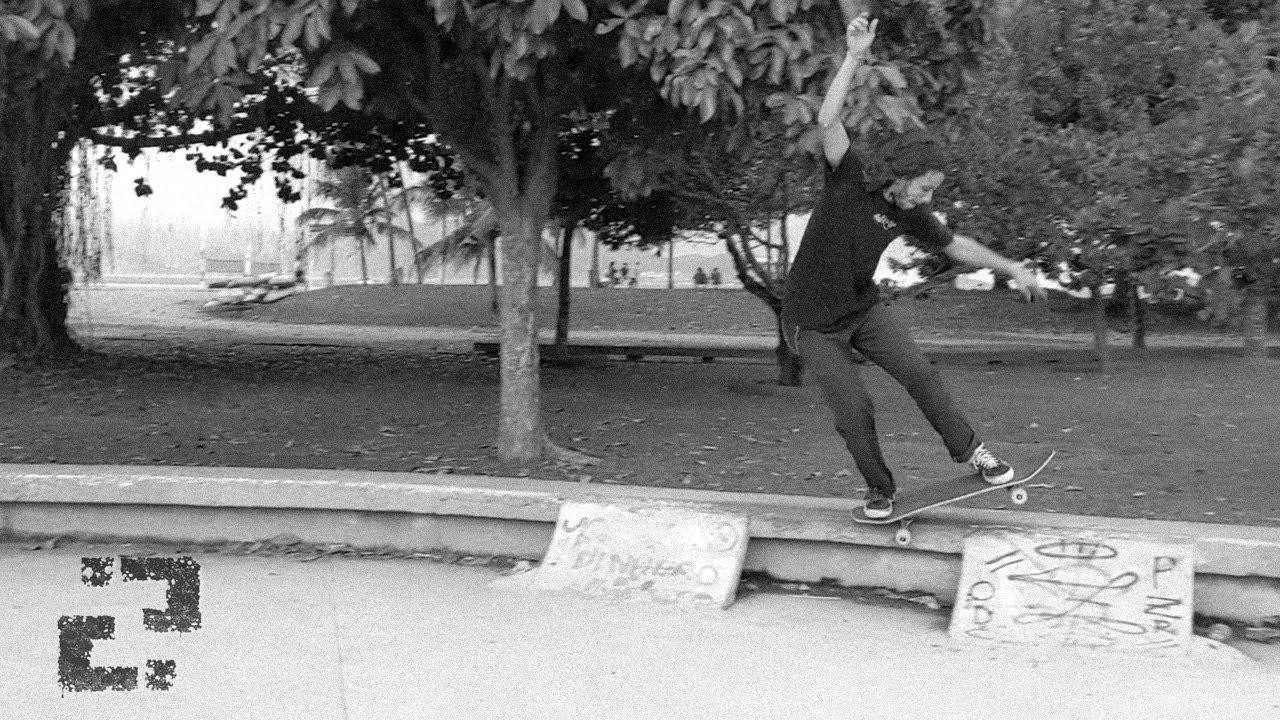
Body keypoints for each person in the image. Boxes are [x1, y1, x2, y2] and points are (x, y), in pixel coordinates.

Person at [781, 15, 1048, 520]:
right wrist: (855, 56)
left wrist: (1011, 266)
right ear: (901, 175)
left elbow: (956, 245)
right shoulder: (850, 175)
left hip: (861, 310)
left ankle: (973, 452)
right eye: (923, 188)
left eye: (931, 192)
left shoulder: (910, 212)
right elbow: (827, 121)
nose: (926, 199)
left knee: (920, 373)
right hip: (811, 322)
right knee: (854, 410)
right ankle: (880, 490)